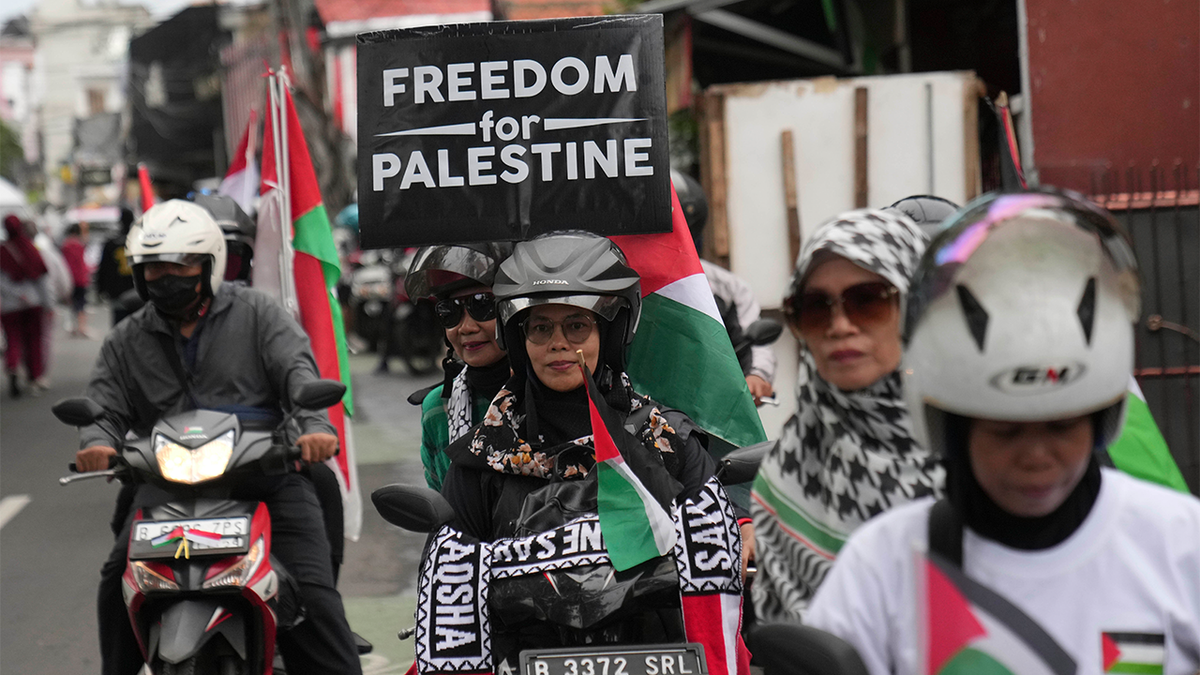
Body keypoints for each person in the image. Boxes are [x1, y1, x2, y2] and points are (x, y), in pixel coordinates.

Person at [806, 190, 1200, 675]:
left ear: (1103, 417)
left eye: (1062, 426)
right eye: (1005, 432)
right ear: (948, 427)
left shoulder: (1181, 547)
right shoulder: (882, 569)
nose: (1036, 457)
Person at [75, 200, 362, 675]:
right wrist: (96, 444)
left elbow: (299, 376)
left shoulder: (259, 315)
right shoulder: (126, 338)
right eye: (153, 268)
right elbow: (103, 407)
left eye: (178, 264)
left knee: (313, 596)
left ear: (209, 263)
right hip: (164, 487)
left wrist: (314, 429)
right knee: (114, 585)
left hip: (266, 478)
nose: (165, 276)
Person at [440, 231, 717, 541]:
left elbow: (715, 546)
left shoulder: (665, 440)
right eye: (541, 328)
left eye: (577, 326)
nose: (558, 344)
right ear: (520, 342)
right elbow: (451, 571)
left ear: (609, 335)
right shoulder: (480, 459)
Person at [749, 209, 943, 623]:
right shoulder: (791, 468)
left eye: (867, 301)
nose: (840, 326)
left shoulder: (988, 445)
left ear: (917, 304)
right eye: (816, 307)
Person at [405, 243, 513, 491]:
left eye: (482, 304)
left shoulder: (548, 394)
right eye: (449, 311)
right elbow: (439, 505)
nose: (465, 328)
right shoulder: (436, 409)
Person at [672, 169, 777, 405]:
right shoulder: (616, 282)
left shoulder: (727, 289)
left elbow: (756, 343)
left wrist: (756, 376)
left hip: (709, 411)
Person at [1, 214, 51, 397]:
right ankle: (34, 376)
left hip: (9, 306)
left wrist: (13, 295)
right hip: (33, 303)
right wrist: (48, 304)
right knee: (34, 341)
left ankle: (13, 366)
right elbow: (42, 279)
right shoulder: (30, 249)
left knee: (12, 339)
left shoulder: (2, 251)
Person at [60, 222, 92, 338]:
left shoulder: (65, 245)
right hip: (81, 278)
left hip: (69, 278)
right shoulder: (80, 245)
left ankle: (72, 327)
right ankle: (82, 328)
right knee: (82, 304)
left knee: (71, 303)